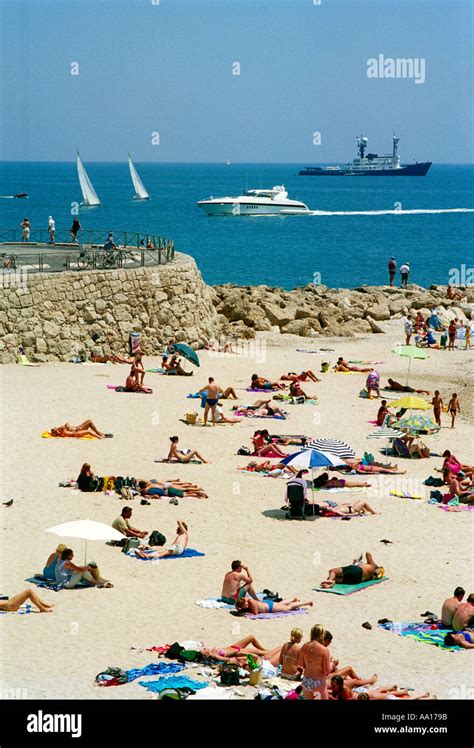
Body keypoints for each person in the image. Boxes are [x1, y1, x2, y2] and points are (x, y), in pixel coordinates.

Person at [297, 624, 331, 700]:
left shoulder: (304, 646)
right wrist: (332, 664)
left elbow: (301, 664)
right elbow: (327, 671)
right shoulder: (324, 650)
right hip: (318, 682)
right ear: (322, 634)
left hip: (306, 681)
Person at [235, 596, 313, 616]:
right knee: (281, 604)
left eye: (245, 605)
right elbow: (237, 605)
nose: (246, 606)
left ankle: (306, 603)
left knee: (289, 608)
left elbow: (255, 613)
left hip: (270, 607)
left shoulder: (251, 602)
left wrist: (246, 613)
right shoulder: (244, 600)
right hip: (266, 604)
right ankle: (292, 599)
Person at [138, 479, 208, 499]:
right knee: (184, 489)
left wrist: (150, 497)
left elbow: (157, 497)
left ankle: (198, 493)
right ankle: (197, 491)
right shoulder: (150, 484)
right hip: (167, 488)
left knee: (185, 493)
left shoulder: (149, 491)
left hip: (168, 491)